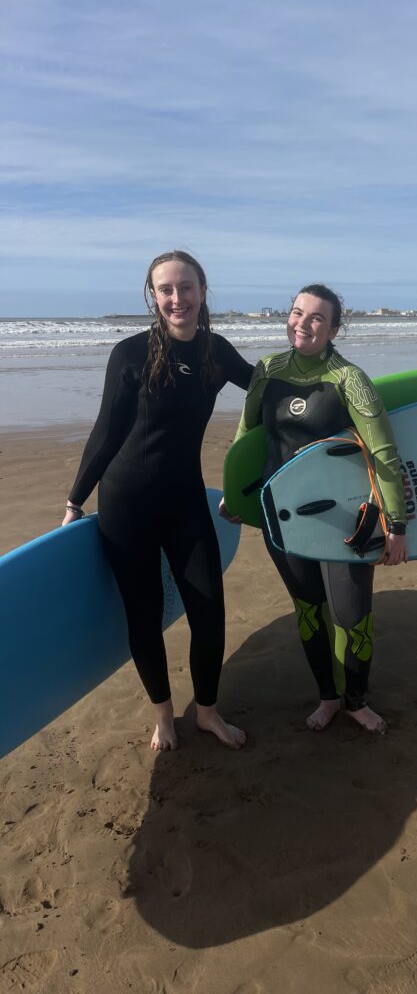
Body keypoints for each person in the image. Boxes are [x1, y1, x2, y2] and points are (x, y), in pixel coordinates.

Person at [62, 251, 255, 751]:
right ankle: (164, 716)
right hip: (126, 505)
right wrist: (74, 502)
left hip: (185, 502)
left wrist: (322, 384)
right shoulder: (128, 354)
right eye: (165, 289)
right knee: (143, 617)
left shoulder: (216, 351)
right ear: (153, 296)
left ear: (202, 290)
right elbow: (105, 433)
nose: (176, 299)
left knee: (209, 612)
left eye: (185, 287)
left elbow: (265, 391)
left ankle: (207, 713)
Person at [222, 283, 407, 734]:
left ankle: (356, 701)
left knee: (351, 613)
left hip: (345, 519)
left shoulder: (349, 379)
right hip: (282, 517)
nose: (302, 324)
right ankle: (328, 696)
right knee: (309, 609)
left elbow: (383, 454)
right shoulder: (267, 370)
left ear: (334, 329)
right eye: (296, 313)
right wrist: (235, 493)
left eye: (316, 318)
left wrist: (396, 524)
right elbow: (248, 435)